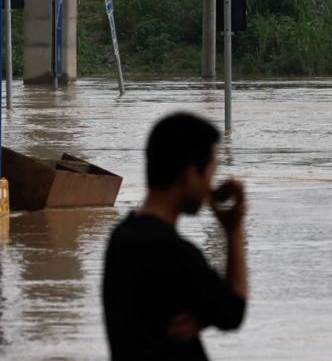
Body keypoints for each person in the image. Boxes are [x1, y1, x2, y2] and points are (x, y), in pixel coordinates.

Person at [102, 112, 247, 361]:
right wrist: (233, 229)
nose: (210, 188)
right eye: (210, 174)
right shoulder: (176, 253)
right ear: (190, 174)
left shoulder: (120, 238)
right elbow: (233, 311)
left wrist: (202, 316)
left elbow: (156, 307)